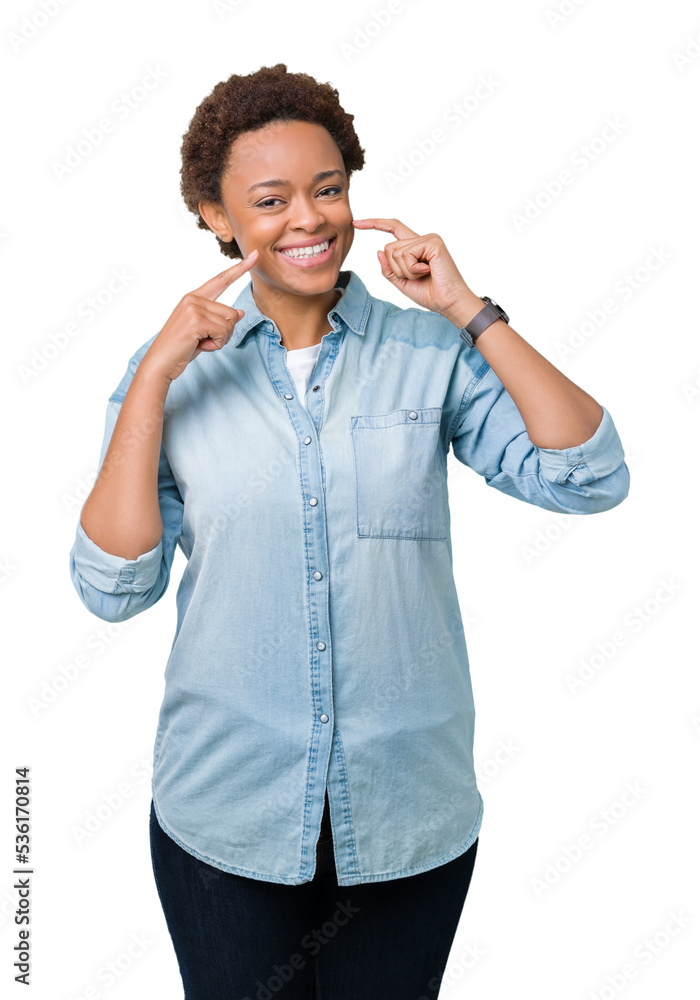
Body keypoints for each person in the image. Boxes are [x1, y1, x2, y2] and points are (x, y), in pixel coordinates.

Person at [68, 63, 630, 999]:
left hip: (408, 812)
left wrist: (467, 309)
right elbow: (112, 586)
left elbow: (590, 477)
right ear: (218, 217)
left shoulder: (430, 354)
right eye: (271, 198)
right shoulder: (168, 372)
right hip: (227, 815)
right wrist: (156, 382)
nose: (309, 219)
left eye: (328, 189)